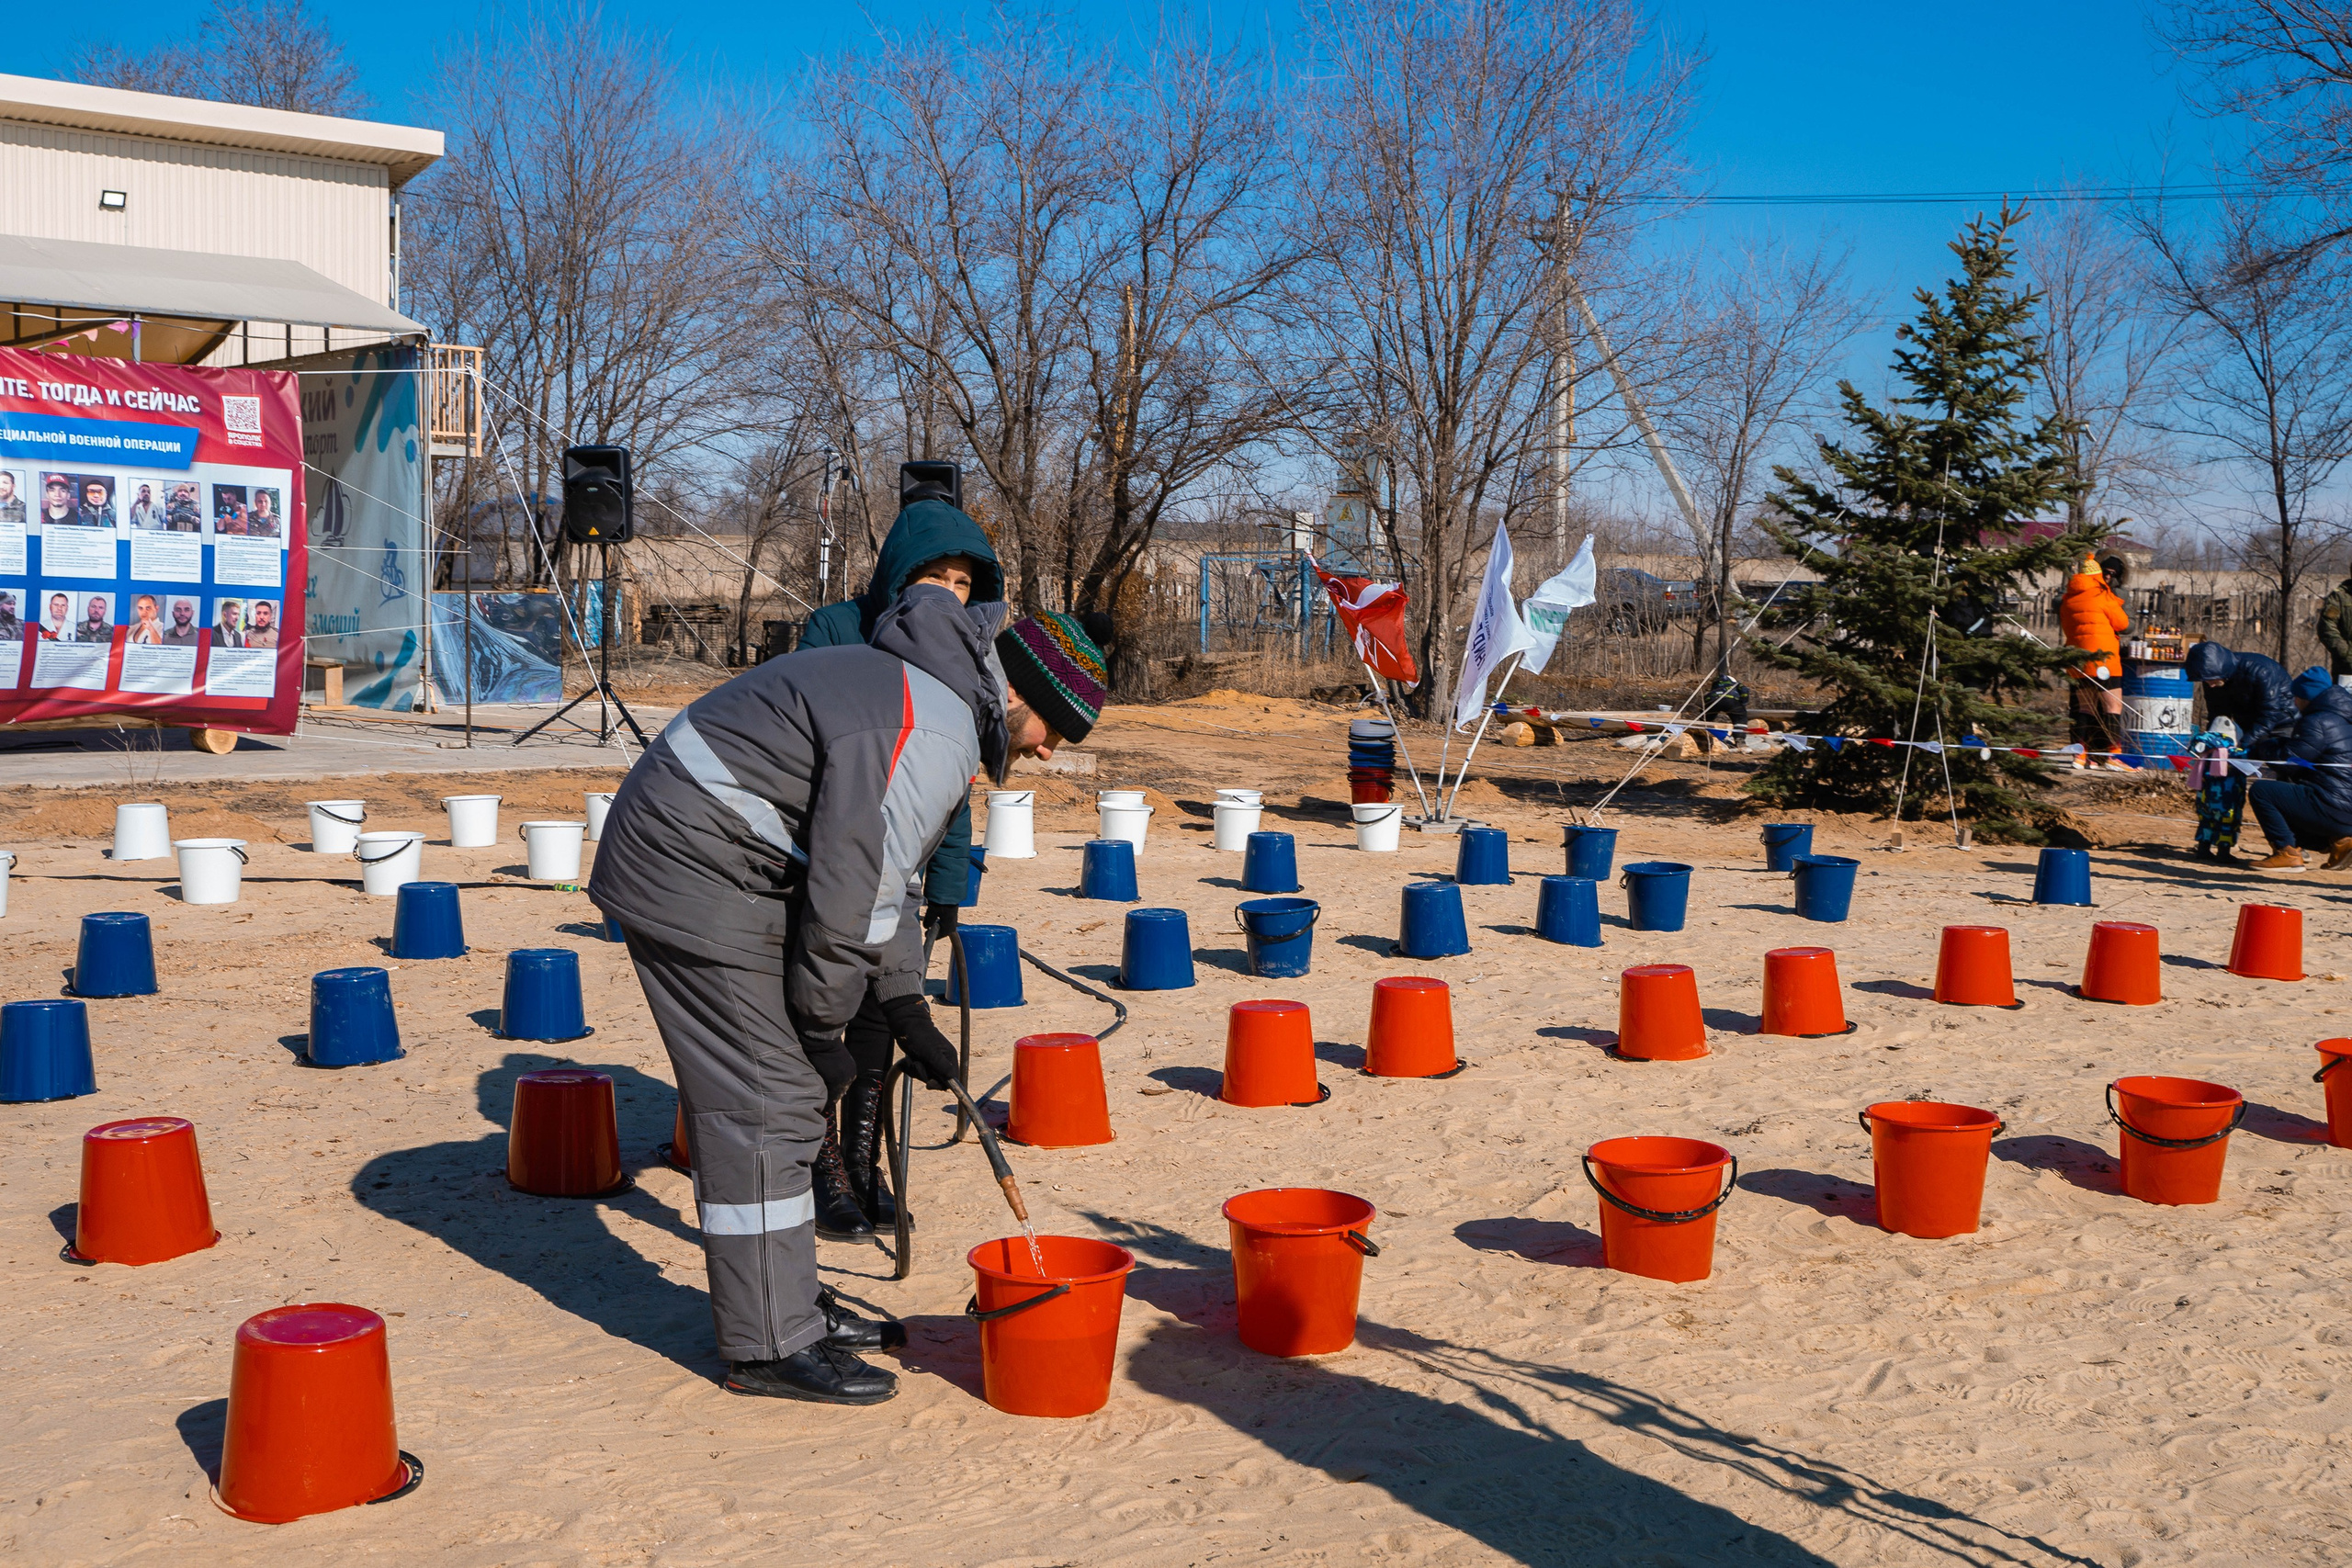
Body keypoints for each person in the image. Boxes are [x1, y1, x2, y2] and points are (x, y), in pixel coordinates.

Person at [589, 587, 1106, 1405]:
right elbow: (846, 898)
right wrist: (825, 1028)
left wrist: (905, 1004)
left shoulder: (935, 704)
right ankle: (770, 1343)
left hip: (725, 852)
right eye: (1054, 731)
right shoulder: (931, 730)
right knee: (771, 1099)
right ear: (1018, 695)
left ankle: (787, 1303)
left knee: (785, 1095)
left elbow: (884, 880)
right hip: (690, 858)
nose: (1047, 754)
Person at [793, 485, 1004, 1239]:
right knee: (828, 1002)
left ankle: (863, 1155)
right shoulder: (837, 630)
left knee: (884, 1012)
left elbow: (952, 780)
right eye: (934, 576)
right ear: (898, 571)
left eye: (963, 584)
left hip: (905, 864)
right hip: (829, 856)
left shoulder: (960, 654)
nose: (948, 594)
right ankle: (823, 1166)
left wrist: (948, 883)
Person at [2245, 668, 2352, 872]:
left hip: (2330, 804)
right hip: (2347, 810)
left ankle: (2287, 853)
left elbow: (2292, 762)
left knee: (2262, 792)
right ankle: (2340, 840)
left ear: (2308, 696)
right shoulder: (2343, 718)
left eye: (2297, 696)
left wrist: (2264, 746)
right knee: (2289, 792)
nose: (2294, 702)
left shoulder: (2317, 721)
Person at [2059, 556, 2130, 769]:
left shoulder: (2068, 598)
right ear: (2097, 576)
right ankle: (2114, 756)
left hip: (2077, 660)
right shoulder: (2102, 595)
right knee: (2112, 707)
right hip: (2103, 659)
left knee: (2084, 708)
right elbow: (2123, 623)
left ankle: (2079, 756)